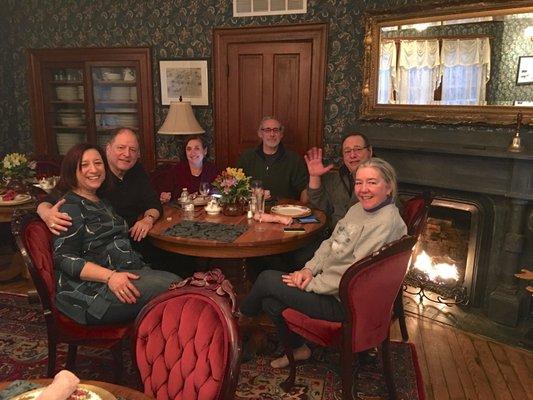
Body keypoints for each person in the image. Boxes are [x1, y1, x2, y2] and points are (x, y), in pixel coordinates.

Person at [239, 158, 407, 368]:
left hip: (345, 302)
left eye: (372, 182)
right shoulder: (358, 209)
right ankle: (299, 348)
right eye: (359, 182)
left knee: (266, 279)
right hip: (330, 285)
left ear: (389, 187)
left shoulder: (386, 222)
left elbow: (355, 274)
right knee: (270, 303)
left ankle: (239, 320)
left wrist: (310, 284)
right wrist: (308, 269)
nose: (363, 189)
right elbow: (330, 244)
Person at [52, 143, 180, 325]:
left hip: (122, 274)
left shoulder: (101, 200)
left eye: (98, 163)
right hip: (91, 294)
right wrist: (109, 277)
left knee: (179, 287)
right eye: (84, 165)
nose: (93, 169)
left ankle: (169, 348)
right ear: (72, 171)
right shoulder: (70, 207)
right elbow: (63, 258)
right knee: (175, 287)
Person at [37, 127, 162, 248]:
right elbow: (48, 201)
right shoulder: (95, 176)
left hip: (135, 240)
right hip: (104, 248)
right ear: (108, 149)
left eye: (133, 149)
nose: (127, 154)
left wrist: (148, 219)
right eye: (121, 148)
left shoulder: (137, 169)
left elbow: (153, 202)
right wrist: (47, 214)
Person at [306, 133, 373, 232]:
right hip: (334, 238)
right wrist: (314, 176)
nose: (352, 155)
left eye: (358, 149)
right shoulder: (338, 178)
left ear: (370, 151)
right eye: (347, 151)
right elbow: (322, 208)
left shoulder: (381, 180)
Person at [237, 116, 308, 201]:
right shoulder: (247, 157)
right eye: (267, 130)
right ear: (260, 134)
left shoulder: (294, 159)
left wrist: (303, 210)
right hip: (253, 209)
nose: (272, 134)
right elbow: (237, 187)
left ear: (281, 134)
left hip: (284, 210)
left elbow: (304, 189)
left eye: (276, 130)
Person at [159, 135, 219, 202]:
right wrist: (164, 196)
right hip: (181, 210)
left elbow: (219, 195)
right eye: (189, 149)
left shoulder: (213, 170)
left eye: (197, 148)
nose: (192, 153)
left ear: (205, 151)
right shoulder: (176, 170)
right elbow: (165, 192)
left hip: (208, 210)